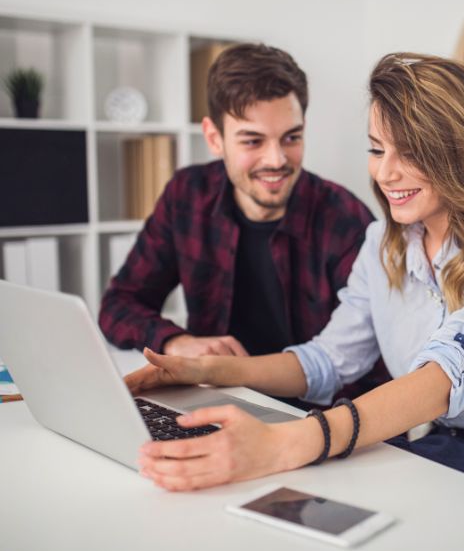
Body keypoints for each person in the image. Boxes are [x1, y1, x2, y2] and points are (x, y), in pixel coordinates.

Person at [125, 53, 464, 530]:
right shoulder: (383, 243)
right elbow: (328, 361)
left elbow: (450, 373)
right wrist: (211, 370)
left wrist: (289, 442)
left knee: (346, 484)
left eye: (410, 152)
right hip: (456, 449)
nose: (386, 172)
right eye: (376, 149)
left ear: (459, 149)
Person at [99, 43, 387, 402]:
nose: (277, 159)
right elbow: (119, 303)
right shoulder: (187, 195)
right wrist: (178, 343)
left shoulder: (345, 220)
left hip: (313, 416)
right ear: (214, 138)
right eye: (253, 140)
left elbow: (372, 365)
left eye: (291, 137)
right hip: (212, 396)